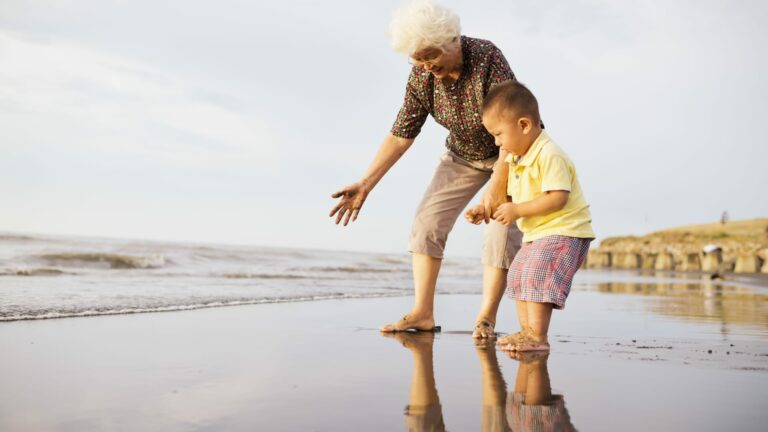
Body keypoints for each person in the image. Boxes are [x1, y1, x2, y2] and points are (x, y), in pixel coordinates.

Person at [329, 0, 523, 338]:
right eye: (416, 57)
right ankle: (422, 312)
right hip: (462, 155)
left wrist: (498, 185)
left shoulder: (486, 57)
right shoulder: (421, 76)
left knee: (500, 229)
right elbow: (401, 133)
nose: (423, 64)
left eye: (429, 54)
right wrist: (365, 184)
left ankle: (485, 319)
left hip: (512, 152)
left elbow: (512, 125)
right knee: (426, 224)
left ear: (451, 39)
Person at [466, 81, 594, 352]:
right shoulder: (518, 159)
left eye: (499, 134)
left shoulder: (549, 154)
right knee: (518, 275)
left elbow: (557, 197)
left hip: (565, 231)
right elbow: (514, 197)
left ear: (524, 125)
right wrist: (485, 209)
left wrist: (518, 211)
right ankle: (527, 331)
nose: (497, 143)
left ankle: (537, 335)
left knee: (536, 274)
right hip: (539, 233)